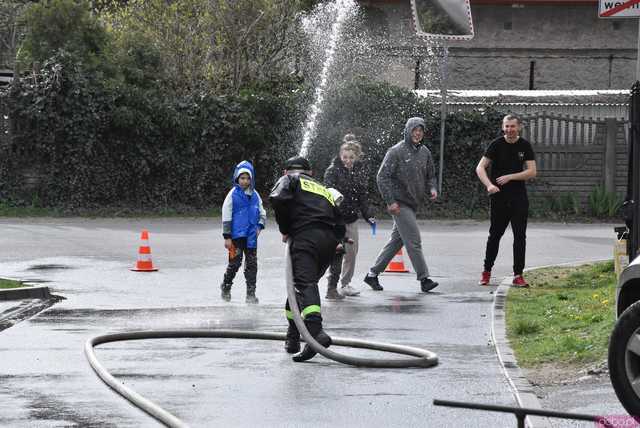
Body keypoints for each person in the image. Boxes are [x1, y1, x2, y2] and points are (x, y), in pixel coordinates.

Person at [269, 155, 345, 362]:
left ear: (286, 171)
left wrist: (286, 228)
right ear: (310, 173)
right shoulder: (322, 188)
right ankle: (293, 336)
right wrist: (337, 241)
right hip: (328, 243)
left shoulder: (290, 180)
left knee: (304, 284)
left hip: (306, 238)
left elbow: (277, 198)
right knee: (298, 288)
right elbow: (340, 219)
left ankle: (315, 333)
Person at [363, 117, 439, 293]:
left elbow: (431, 175)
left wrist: (433, 188)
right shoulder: (396, 151)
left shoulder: (424, 151)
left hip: (413, 203)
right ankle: (424, 279)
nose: (417, 133)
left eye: (420, 130)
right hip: (400, 204)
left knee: (396, 242)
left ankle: (372, 275)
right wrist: (390, 201)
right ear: (407, 131)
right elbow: (382, 177)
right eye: (414, 130)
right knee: (414, 240)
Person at [475, 114, 537, 287]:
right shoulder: (496, 145)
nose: (509, 130)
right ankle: (486, 272)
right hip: (499, 198)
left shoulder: (524, 145)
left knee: (520, 237)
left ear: (519, 127)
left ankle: (518, 275)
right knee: (494, 235)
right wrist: (489, 185)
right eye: (507, 126)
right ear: (503, 127)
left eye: (512, 126)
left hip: (519, 198)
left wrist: (511, 176)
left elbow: (532, 171)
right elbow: (480, 168)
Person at [323, 135, 376, 300]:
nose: (347, 160)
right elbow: (327, 191)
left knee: (351, 253)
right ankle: (331, 284)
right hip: (335, 219)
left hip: (351, 219)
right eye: (345, 157)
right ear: (340, 156)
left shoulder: (359, 172)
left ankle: (345, 284)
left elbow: (362, 197)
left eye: (351, 158)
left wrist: (369, 216)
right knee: (335, 253)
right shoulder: (332, 170)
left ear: (357, 157)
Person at [220, 160, 266, 304]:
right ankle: (226, 286)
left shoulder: (255, 195)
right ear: (237, 178)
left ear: (251, 179)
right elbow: (226, 215)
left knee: (252, 265)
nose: (245, 181)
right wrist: (227, 237)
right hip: (236, 237)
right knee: (235, 263)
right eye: (242, 178)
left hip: (251, 237)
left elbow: (262, 212)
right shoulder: (232, 194)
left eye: (247, 178)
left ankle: (250, 294)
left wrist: (260, 225)